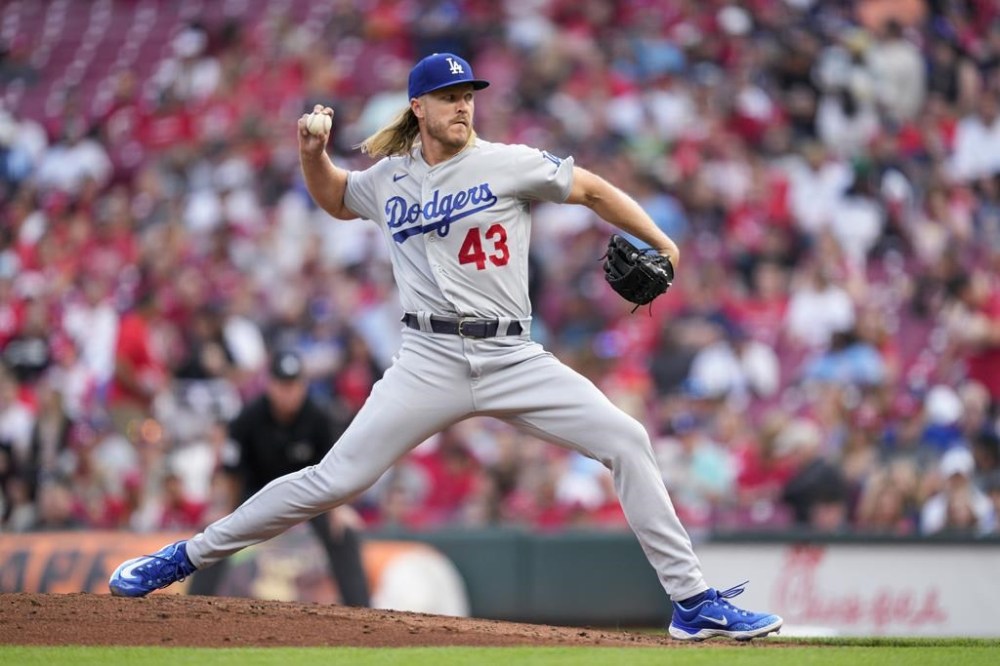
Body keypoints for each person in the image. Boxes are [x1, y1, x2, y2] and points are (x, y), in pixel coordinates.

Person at [109, 52, 781, 641]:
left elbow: (593, 191)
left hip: (511, 357)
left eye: (468, 96)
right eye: (451, 97)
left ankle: (693, 603)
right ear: (418, 107)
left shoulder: (507, 162)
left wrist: (662, 241)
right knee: (332, 481)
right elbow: (337, 198)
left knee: (627, 438)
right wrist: (312, 154)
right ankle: (183, 558)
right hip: (426, 361)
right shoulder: (389, 178)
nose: (464, 106)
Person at [186, 349, 370, 606]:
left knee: (344, 531)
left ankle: (361, 610)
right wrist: (224, 509)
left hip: (309, 494)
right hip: (255, 492)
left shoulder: (319, 418)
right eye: (282, 385)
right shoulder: (248, 418)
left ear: (303, 386)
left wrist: (339, 510)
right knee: (214, 530)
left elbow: (337, 471)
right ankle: (193, 607)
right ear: (270, 385)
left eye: (294, 385)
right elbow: (232, 471)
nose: (288, 392)